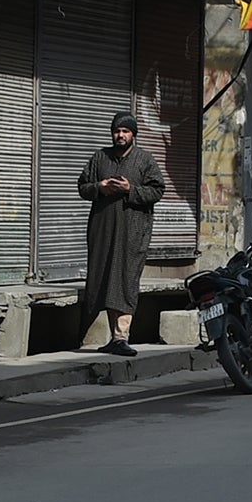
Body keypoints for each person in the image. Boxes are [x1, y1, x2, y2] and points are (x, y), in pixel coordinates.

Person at [77, 111, 164, 357]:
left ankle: (121, 336)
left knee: (125, 279)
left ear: (133, 134)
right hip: (103, 230)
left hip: (132, 232)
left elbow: (157, 191)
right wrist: (100, 187)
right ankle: (111, 338)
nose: (120, 135)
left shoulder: (145, 160)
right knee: (103, 277)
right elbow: (82, 187)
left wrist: (130, 189)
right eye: (117, 131)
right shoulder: (99, 158)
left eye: (125, 131)